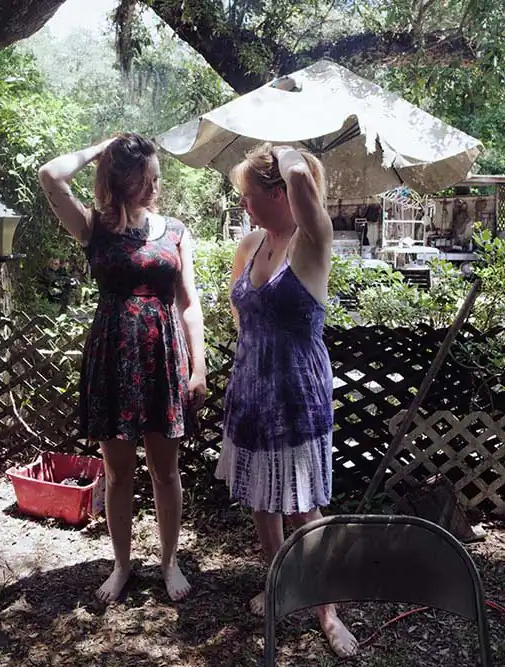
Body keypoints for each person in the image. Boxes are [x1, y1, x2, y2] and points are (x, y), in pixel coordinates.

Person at [38, 133, 207, 603]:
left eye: (156, 178)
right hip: (114, 359)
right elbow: (50, 175)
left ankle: (169, 561)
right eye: (145, 178)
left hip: (163, 357)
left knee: (165, 471)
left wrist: (198, 367)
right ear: (120, 179)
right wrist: (103, 147)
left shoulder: (175, 231)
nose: (154, 187)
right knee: (117, 473)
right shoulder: (94, 227)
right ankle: (122, 565)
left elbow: (189, 303)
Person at [214, 143, 359, 658]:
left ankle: (327, 611)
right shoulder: (251, 242)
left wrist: (286, 151)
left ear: (280, 192)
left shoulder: (313, 238)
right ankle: (280, 584)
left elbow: (302, 182)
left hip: (296, 394)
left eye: (249, 194)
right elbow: (241, 309)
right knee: (261, 498)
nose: (244, 204)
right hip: (252, 389)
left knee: (304, 507)